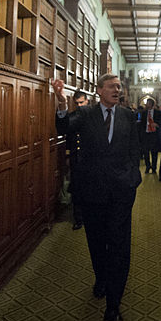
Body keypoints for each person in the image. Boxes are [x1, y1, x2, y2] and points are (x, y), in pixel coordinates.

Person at [54, 74, 140, 321]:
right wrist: (61, 102)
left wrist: (133, 176)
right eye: (112, 86)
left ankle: (114, 303)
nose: (118, 90)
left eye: (119, 87)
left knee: (120, 245)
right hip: (92, 191)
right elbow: (64, 127)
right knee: (96, 241)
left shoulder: (127, 115)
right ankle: (100, 277)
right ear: (99, 90)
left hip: (122, 192)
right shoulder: (86, 113)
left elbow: (135, 148)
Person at [67, 90, 89, 230]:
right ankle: (78, 218)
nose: (80, 105)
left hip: (91, 159)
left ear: (87, 101)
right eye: (77, 103)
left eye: (82, 102)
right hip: (76, 158)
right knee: (77, 189)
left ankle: (90, 216)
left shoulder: (94, 116)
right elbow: (69, 137)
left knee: (90, 189)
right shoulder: (72, 117)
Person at [139, 98, 161, 174]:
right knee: (146, 152)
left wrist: (157, 124)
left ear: (152, 104)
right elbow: (141, 124)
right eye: (147, 103)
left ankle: (154, 168)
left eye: (149, 103)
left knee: (154, 152)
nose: (147, 105)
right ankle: (148, 166)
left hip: (154, 135)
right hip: (146, 134)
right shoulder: (144, 112)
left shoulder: (158, 112)